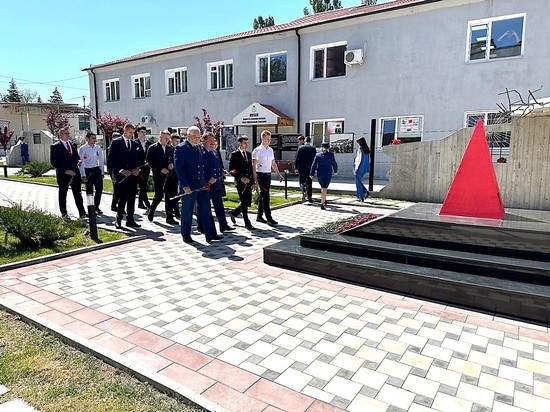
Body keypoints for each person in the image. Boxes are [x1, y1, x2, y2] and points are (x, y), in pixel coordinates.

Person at [174, 125, 221, 243]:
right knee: (187, 210)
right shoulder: (181, 148)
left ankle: (210, 234)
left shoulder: (199, 148)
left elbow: (201, 167)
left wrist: (206, 180)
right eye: (195, 137)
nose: (197, 139)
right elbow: (179, 168)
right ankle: (186, 234)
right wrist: (185, 185)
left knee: (206, 208)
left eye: (199, 137)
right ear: (188, 136)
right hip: (189, 185)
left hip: (201, 184)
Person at [107, 123, 142, 228]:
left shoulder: (135, 144)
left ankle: (130, 220)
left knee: (132, 198)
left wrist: (137, 169)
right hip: (121, 176)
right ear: (125, 130)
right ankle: (118, 219)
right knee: (122, 198)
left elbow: (138, 160)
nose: (131, 135)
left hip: (132, 176)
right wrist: (120, 171)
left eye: (133, 133)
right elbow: (111, 160)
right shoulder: (116, 142)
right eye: (130, 132)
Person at [49, 127, 87, 219]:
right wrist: (65, 170)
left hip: (74, 172)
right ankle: (64, 213)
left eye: (68, 133)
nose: (67, 135)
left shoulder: (72, 144)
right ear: (60, 135)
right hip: (63, 174)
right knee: (63, 194)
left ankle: (82, 212)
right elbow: (54, 162)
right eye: (65, 133)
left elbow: (76, 156)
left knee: (78, 193)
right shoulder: (55, 146)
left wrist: (78, 160)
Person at [201, 132, 234, 233]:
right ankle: (201, 226)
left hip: (217, 183)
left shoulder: (215, 152)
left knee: (219, 205)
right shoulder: (200, 153)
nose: (212, 143)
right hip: (207, 184)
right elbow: (200, 169)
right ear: (204, 141)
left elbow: (218, 166)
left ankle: (223, 225)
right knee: (204, 207)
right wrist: (208, 178)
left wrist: (222, 171)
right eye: (210, 141)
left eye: (213, 140)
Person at [252, 130, 283, 226]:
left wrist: (278, 174)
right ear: (262, 138)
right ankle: (269, 217)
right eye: (267, 139)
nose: (269, 141)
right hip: (260, 175)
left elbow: (273, 163)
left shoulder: (270, 150)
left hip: (268, 174)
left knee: (263, 196)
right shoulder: (257, 150)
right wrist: (255, 179)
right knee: (266, 197)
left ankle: (259, 216)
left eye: (270, 139)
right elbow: (253, 165)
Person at [146, 130, 178, 224]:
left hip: (169, 175)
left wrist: (172, 165)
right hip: (158, 175)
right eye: (165, 138)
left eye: (168, 139)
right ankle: (152, 210)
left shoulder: (170, 148)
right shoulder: (153, 148)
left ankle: (169, 217)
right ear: (160, 137)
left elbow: (173, 159)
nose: (167, 140)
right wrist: (160, 169)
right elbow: (149, 162)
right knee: (159, 195)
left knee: (169, 196)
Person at [228, 135, 255, 230]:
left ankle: (234, 213)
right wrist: (240, 178)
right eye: (244, 143)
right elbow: (232, 170)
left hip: (248, 182)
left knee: (247, 202)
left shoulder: (248, 154)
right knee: (244, 202)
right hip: (240, 183)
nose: (246, 145)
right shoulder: (234, 154)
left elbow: (250, 169)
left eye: (247, 143)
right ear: (239, 143)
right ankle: (247, 222)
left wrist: (253, 182)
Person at [78, 131, 105, 215]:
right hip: (88, 170)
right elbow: (81, 162)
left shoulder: (98, 148)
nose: (94, 140)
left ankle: (96, 206)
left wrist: (102, 171)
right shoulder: (83, 149)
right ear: (87, 139)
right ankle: (91, 208)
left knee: (99, 189)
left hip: (96, 170)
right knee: (89, 191)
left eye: (95, 138)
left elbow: (101, 160)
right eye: (92, 138)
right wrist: (83, 174)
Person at [310, 142, 338, 210]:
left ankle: (323, 199)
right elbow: (334, 163)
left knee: (323, 188)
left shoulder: (317, 155)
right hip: (328, 173)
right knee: (324, 188)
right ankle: (322, 203)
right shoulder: (331, 155)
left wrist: (312, 174)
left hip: (320, 173)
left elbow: (314, 165)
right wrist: (335, 171)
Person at [294, 136, 317, 203]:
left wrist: (296, 167)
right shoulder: (313, 149)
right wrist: (315, 168)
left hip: (302, 168)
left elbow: (297, 158)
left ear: (305, 141)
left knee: (301, 181)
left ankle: (303, 192)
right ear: (310, 141)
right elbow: (315, 160)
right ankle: (309, 198)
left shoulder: (300, 148)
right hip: (310, 168)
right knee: (309, 183)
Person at [134, 126, 151, 210]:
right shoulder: (134, 143)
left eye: (145, 132)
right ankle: (147, 203)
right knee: (141, 186)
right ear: (137, 132)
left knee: (143, 185)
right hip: (137, 168)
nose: (143, 134)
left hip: (146, 168)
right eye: (142, 132)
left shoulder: (148, 143)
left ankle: (141, 203)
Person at [353, 137, 371, 201]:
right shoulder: (367, 149)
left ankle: (361, 196)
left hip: (359, 167)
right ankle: (363, 194)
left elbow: (358, 159)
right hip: (364, 168)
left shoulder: (360, 149)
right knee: (359, 182)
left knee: (358, 183)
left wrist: (356, 168)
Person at [108, 132, 122, 212]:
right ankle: (114, 205)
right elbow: (110, 164)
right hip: (114, 172)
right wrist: (112, 175)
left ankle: (117, 204)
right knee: (117, 189)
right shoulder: (111, 148)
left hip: (121, 172)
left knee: (119, 189)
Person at [170, 133, 182, 218]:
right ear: (171, 141)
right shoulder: (169, 149)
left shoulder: (180, 150)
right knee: (173, 192)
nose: (177, 143)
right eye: (176, 141)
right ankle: (176, 211)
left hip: (179, 174)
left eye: (178, 141)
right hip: (172, 175)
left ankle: (172, 205)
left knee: (180, 192)